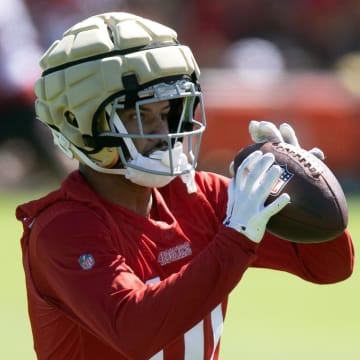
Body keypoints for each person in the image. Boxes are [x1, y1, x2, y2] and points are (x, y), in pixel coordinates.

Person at [16, 12, 354, 360]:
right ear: (79, 122)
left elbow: (328, 266)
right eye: (139, 115)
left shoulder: (201, 195)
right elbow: (136, 330)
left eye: (168, 111)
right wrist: (236, 237)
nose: (162, 131)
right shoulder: (65, 228)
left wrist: (304, 185)